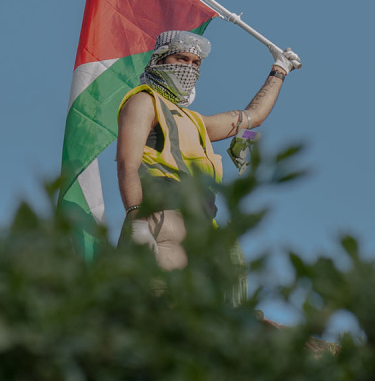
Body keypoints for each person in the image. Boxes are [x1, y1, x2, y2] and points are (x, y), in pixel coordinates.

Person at [114, 30, 293, 276]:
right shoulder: (145, 101)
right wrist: (136, 221)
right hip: (163, 218)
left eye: (196, 63)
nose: (190, 68)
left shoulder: (197, 122)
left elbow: (252, 117)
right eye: (181, 59)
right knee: (163, 302)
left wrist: (279, 70)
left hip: (200, 229)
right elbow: (127, 165)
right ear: (159, 60)